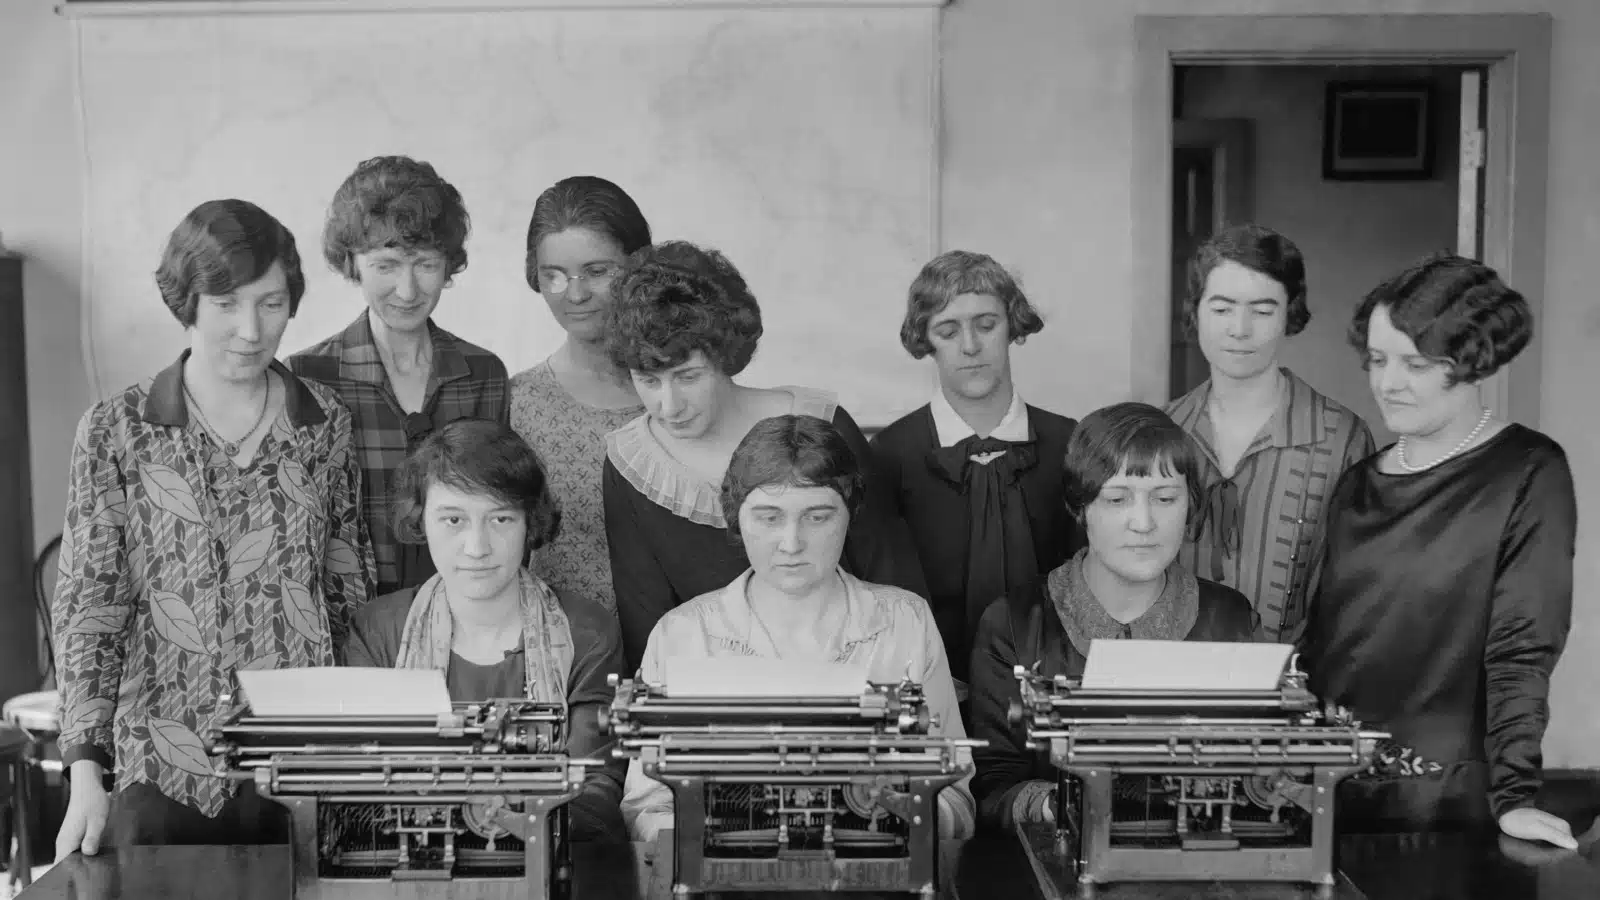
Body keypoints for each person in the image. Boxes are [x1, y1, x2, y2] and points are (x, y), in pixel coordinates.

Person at [51, 199, 376, 857]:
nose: (251, 329)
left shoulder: (327, 425)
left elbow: (349, 596)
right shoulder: (117, 431)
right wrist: (86, 775)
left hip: (302, 773)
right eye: (226, 303)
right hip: (162, 774)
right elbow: (91, 609)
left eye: (271, 304)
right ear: (187, 302)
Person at [1298, 254, 1577, 850]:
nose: (1386, 382)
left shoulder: (1528, 472)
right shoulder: (1356, 484)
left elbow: (1522, 647)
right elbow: (1328, 643)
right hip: (1333, 789)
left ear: (1470, 360)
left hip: (1446, 802)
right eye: (1377, 360)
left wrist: (1516, 794)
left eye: (1415, 363)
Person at [620, 414, 975, 842]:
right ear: (736, 518)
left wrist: (902, 814)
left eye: (817, 516)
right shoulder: (679, 635)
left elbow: (955, 796)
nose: (791, 543)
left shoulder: (906, 622)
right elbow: (648, 804)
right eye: (769, 518)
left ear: (850, 514)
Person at [601, 240, 927, 667]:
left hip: (852, 683)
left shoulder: (821, 423)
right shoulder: (630, 463)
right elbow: (645, 623)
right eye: (648, 380)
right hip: (712, 704)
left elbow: (890, 577)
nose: (668, 405)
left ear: (725, 355)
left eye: (688, 376)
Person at [967, 402, 1255, 832]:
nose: (1144, 522)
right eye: (1118, 499)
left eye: (1166, 498)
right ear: (1080, 507)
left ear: (1191, 504)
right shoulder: (1014, 622)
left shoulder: (1230, 619)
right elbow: (988, 789)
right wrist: (1057, 804)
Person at [345, 418, 627, 843]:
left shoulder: (587, 632)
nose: (477, 548)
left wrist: (499, 803)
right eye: (453, 520)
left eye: (500, 520)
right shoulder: (378, 630)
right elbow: (357, 789)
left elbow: (596, 799)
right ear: (421, 522)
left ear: (531, 523)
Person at [290, 155, 509, 597]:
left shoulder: (483, 374)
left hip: (462, 618)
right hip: (351, 630)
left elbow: (502, 510)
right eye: (386, 265)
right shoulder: (308, 378)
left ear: (449, 265)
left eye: (425, 264)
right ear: (353, 264)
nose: (408, 292)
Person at [871, 250, 1081, 702]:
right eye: (948, 330)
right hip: (930, 695)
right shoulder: (888, 456)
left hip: (1056, 695)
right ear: (925, 340)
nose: (970, 346)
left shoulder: (1072, 443)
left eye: (986, 324)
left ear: (1013, 325)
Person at [1164, 224, 1373, 642]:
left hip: (1293, 687)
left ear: (1289, 314)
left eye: (1262, 311)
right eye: (1222, 308)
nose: (1240, 329)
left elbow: (1357, 594)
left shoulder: (1341, 439)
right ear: (1196, 310)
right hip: (1172, 687)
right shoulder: (1161, 431)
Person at [509, 176, 649, 615]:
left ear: (637, 265)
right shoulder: (517, 404)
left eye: (597, 271)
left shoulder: (685, 392)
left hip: (684, 656)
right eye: (554, 275)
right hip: (564, 657)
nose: (575, 294)